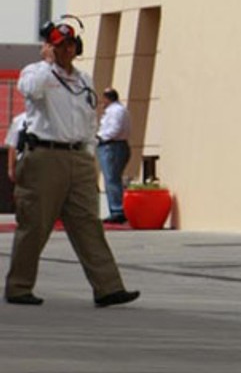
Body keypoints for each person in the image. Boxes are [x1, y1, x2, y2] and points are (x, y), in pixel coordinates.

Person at [4, 22, 140, 308]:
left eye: (70, 44)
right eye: (60, 45)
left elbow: (88, 117)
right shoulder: (37, 72)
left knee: (88, 223)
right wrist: (47, 62)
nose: (66, 50)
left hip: (78, 155)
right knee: (35, 224)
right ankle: (19, 287)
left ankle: (108, 287)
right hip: (45, 154)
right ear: (51, 48)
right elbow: (30, 90)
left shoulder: (84, 79)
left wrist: (89, 151)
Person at [96, 87, 132, 226]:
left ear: (107, 98)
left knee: (112, 179)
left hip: (112, 146)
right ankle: (115, 209)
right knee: (112, 179)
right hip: (114, 146)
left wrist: (100, 137)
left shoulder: (116, 111)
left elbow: (114, 129)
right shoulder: (118, 110)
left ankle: (117, 210)